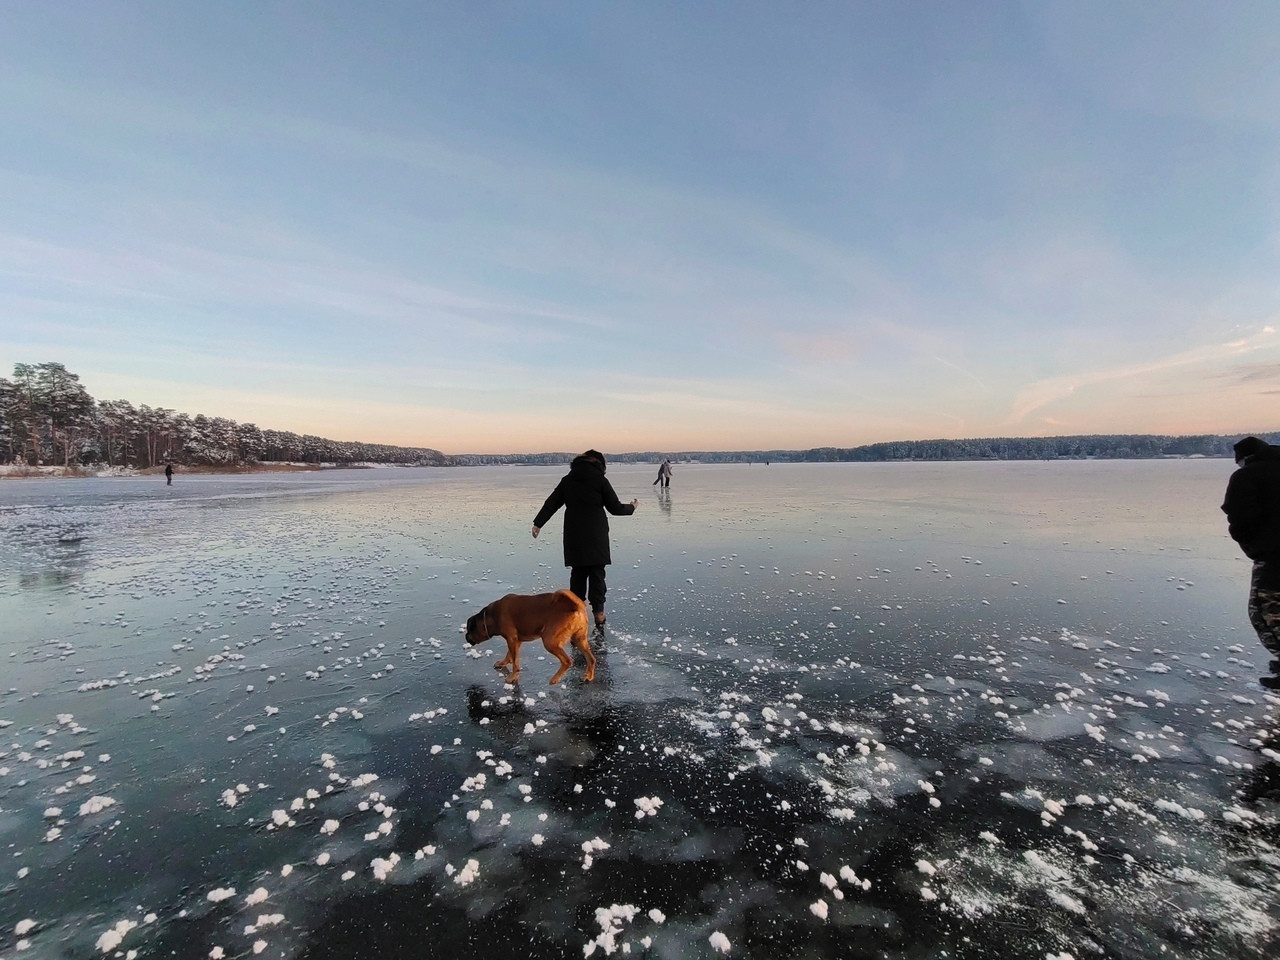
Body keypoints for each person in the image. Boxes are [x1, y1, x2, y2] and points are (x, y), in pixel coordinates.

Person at [532, 449, 637, 627]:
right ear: (599, 464)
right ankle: (599, 614)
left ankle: (575, 612)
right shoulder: (600, 480)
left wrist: (538, 523)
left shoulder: (568, 480)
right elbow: (615, 508)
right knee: (597, 574)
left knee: (578, 574)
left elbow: (552, 503)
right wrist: (632, 507)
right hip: (596, 534)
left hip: (575, 535)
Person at [1221, 436, 1280, 689]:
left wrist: (1247, 540)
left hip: (1273, 556)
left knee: (1265, 611)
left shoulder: (1247, 476)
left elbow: (1240, 515)